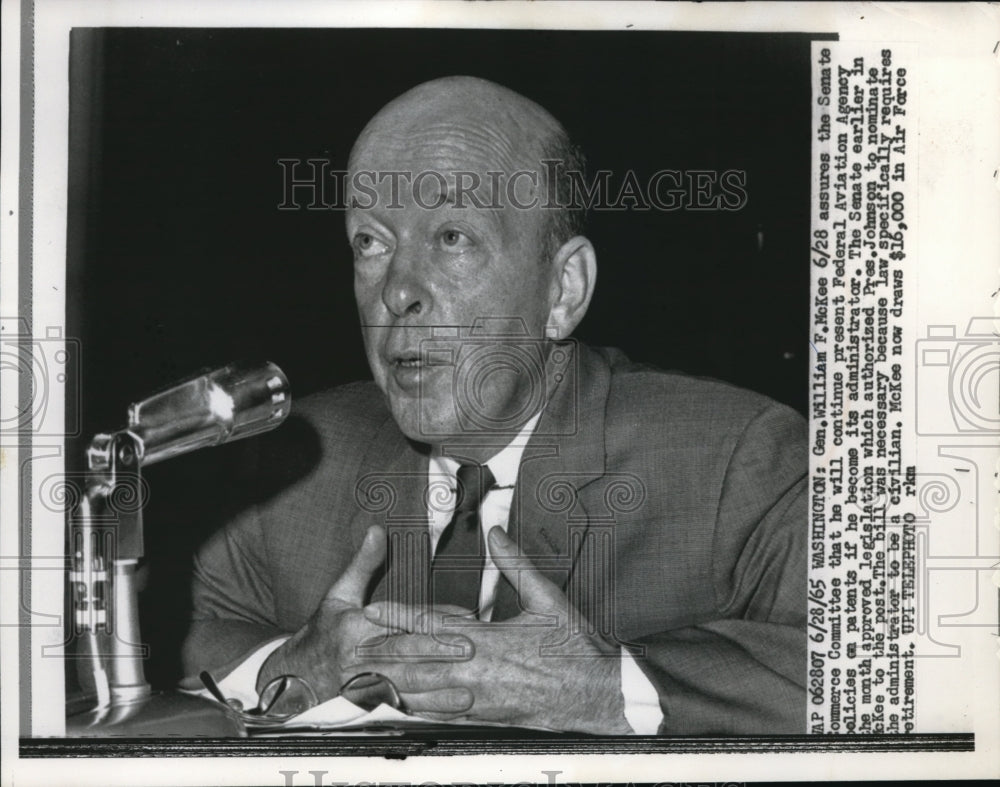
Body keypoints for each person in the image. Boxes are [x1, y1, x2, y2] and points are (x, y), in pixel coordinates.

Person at [182, 75, 807, 734]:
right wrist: (291, 666)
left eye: (452, 237)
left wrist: (605, 686)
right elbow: (171, 639)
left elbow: (873, 669)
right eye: (371, 242)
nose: (398, 292)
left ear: (563, 290)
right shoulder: (287, 467)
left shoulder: (739, 461)